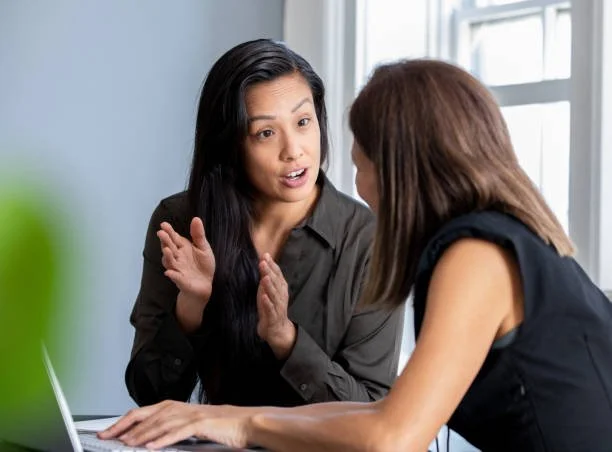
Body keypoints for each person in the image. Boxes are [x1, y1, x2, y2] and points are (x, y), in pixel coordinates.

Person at [102, 58, 612, 451]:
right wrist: (218, 418)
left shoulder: (476, 257)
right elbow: (386, 415)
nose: (356, 183)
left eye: (360, 162)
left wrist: (239, 421)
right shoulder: (498, 240)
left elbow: (391, 437)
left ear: (400, 168)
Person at [124, 39, 404, 410]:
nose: (294, 150)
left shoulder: (370, 241)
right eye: (266, 133)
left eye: (303, 122)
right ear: (230, 146)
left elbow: (371, 414)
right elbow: (150, 392)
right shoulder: (181, 222)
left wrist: (286, 339)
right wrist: (191, 306)